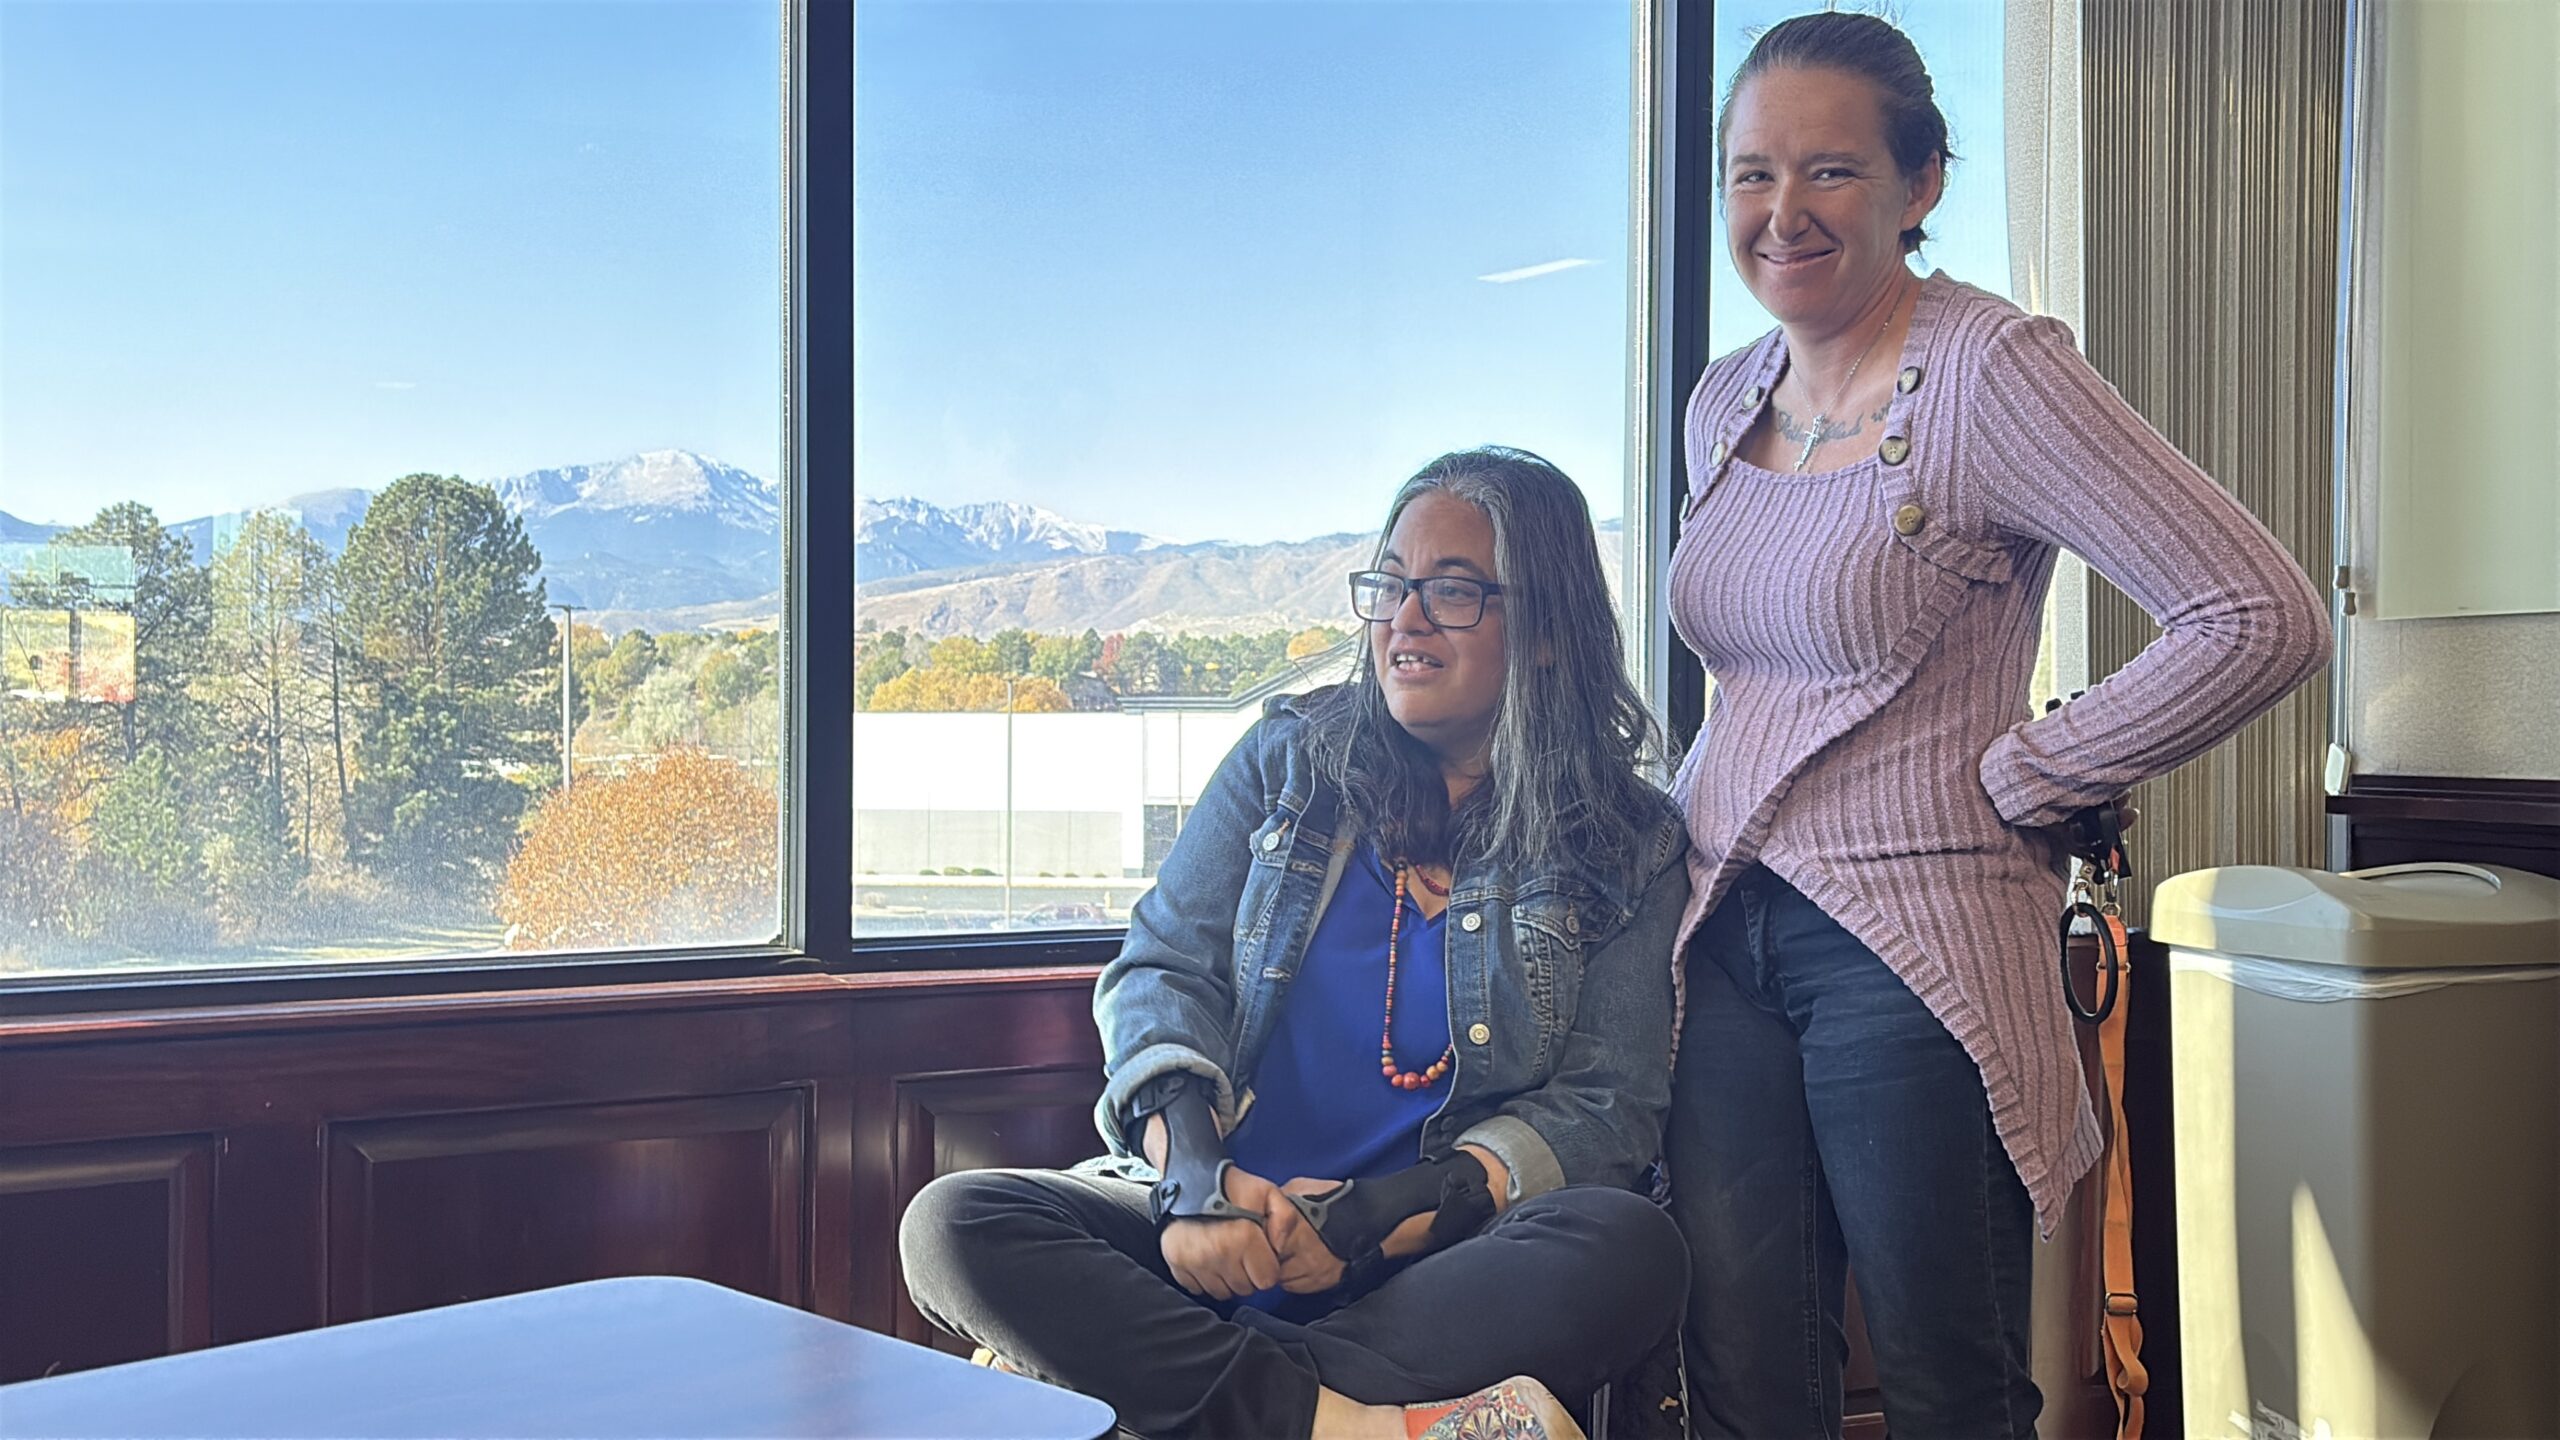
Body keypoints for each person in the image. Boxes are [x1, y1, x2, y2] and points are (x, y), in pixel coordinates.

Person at [1662, 13, 2332, 1439]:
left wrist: (2032, 768)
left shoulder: (1988, 370)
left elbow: (2260, 613)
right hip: (1718, 933)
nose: (1782, 212)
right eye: (1750, 173)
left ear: (1920, 184)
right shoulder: (1724, 400)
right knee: (1739, 1379)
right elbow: (1758, 684)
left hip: (1913, 955)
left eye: (1831, 169)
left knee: (1945, 1379)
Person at [902, 447, 1694, 1440]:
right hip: (1212, 1238)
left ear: (1544, 631)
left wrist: (1361, 1230)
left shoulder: (1628, 842)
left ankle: (1219, 1407)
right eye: (1389, 587)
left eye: (1451, 591)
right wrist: (1195, 1184)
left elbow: (1602, 1113)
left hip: (1421, 1271)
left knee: (1627, 1244)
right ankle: (1356, 1430)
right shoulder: (1286, 763)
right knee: (954, 1224)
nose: (1403, 618)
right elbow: (1161, 973)